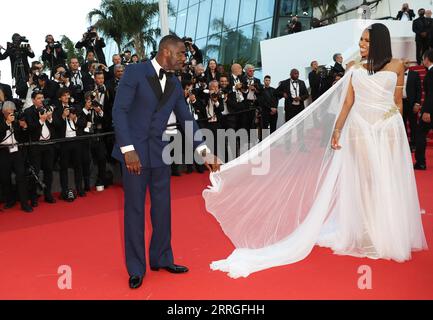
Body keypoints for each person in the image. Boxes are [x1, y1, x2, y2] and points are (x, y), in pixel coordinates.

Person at [203, 23, 427, 279]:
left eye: (366, 41)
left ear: (378, 42)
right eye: (361, 40)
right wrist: (337, 130)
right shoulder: (354, 69)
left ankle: (388, 229)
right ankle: (367, 233)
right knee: (365, 180)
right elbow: (347, 103)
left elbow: (398, 102)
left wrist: (398, 130)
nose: (361, 45)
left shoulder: (397, 66)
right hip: (360, 129)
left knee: (386, 178)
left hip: (388, 128)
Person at [112, 35, 221, 289]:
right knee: (135, 211)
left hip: (160, 153)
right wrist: (128, 149)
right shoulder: (135, 72)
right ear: (166, 51)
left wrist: (204, 151)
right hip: (134, 155)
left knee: (162, 209)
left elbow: (187, 119)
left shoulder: (174, 82)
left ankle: (162, 258)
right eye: (182, 53)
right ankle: (136, 268)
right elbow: (120, 111)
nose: (185, 58)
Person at [0, 101, 33, 212]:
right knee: (5, 178)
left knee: (21, 176)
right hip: (4, 152)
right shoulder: (1, 122)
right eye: (9, 112)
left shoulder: (16, 121)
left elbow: (23, 137)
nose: (12, 114)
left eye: (13, 111)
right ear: (3, 112)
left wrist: (24, 127)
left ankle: (24, 203)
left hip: (17, 151)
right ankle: (10, 200)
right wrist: (7, 124)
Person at [414, 49, 433, 170]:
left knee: (420, 134)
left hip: (430, 111)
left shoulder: (431, 73)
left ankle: (420, 162)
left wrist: (427, 111)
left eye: (423, 58)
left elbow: (431, 94)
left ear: (427, 59)